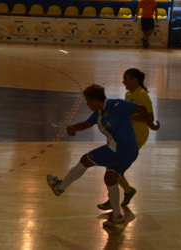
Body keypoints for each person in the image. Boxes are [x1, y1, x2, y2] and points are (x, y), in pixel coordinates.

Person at [47, 84, 160, 227]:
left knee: (85, 160)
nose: (87, 104)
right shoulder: (98, 113)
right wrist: (73, 127)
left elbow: (142, 109)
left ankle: (59, 187)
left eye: (88, 101)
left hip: (121, 149)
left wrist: (152, 125)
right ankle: (117, 216)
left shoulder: (115, 105)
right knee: (110, 178)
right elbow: (86, 124)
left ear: (96, 100)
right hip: (128, 152)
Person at [97, 68, 153, 211]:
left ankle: (114, 198)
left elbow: (150, 118)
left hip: (139, 134)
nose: (123, 82)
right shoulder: (128, 94)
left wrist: (128, 116)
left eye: (125, 79)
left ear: (134, 80)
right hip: (128, 133)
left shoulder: (142, 95)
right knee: (113, 165)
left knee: (114, 164)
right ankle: (127, 191)